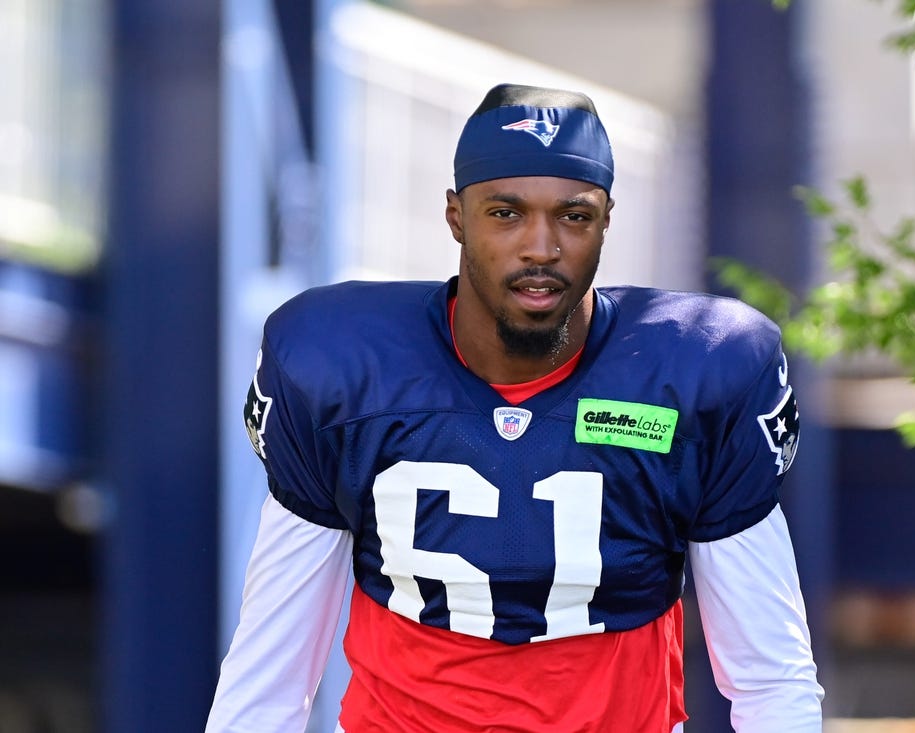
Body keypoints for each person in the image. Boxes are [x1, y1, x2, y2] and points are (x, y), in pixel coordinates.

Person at [206, 82, 823, 733]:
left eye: (574, 216)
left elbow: (769, 673)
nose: (540, 246)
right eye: (505, 213)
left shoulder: (699, 371)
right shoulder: (341, 370)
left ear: (607, 218)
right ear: (456, 217)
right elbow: (270, 673)